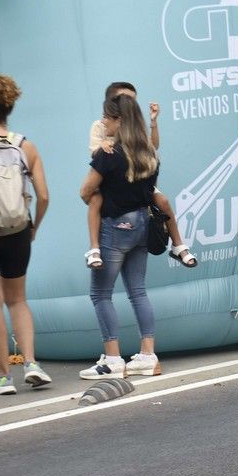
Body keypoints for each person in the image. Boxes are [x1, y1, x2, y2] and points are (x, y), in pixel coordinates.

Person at [0, 75, 53, 394]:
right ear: (10, 108)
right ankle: (31, 363)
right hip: (20, 229)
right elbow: (44, 195)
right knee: (18, 300)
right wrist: (34, 226)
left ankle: (4, 377)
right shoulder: (26, 146)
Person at [78, 95, 163, 379]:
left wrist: (98, 197)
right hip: (142, 224)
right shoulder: (149, 154)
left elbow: (85, 191)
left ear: (119, 120)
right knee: (138, 291)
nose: (103, 122)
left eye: (107, 117)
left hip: (116, 227)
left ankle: (113, 359)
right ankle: (148, 355)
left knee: (101, 293)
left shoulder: (109, 154)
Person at [86, 81, 195, 269]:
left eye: (133, 100)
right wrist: (103, 147)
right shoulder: (100, 125)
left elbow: (153, 147)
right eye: (125, 99)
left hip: (137, 180)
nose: (131, 105)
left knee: (163, 201)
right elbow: (96, 156)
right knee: (95, 200)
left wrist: (153, 123)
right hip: (113, 182)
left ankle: (178, 245)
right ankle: (94, 249)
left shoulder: (136, 126)